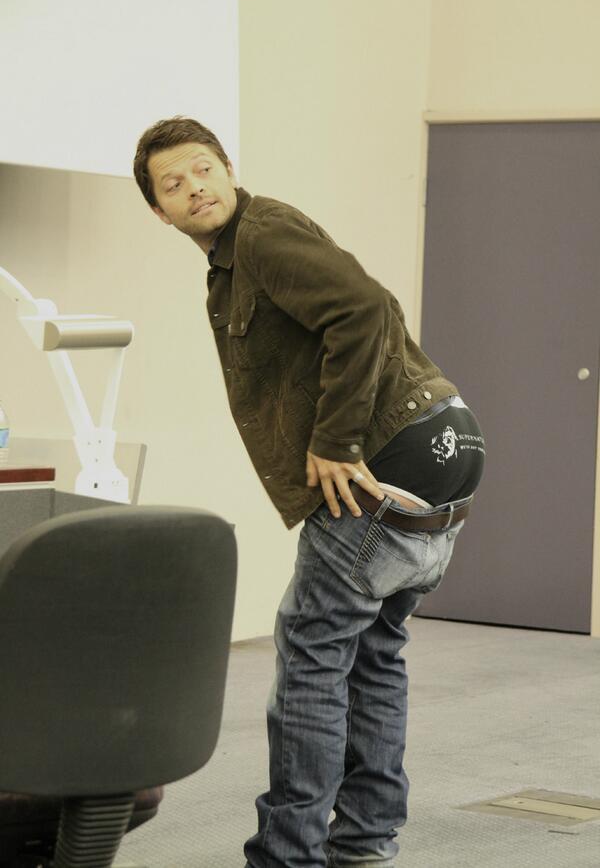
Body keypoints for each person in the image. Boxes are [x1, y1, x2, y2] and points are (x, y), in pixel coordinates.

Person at [133, 117, 486, 868]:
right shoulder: (237, 259)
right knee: (373, 652)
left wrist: (336, 440)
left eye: (203, 168)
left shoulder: (261, 233)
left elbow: (363, 308)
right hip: (446, 441)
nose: (195, 186)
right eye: (173, 183)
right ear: (159, 212)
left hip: (392, 444)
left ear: (229, 169)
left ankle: (287, 854)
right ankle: (365, 840)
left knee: (311, 655)